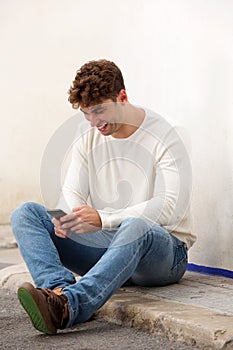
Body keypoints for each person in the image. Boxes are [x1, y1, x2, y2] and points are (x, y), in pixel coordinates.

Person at [10, 59, 196, 335]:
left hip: (162, 254)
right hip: (108, 248)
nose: (94, 122)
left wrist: (103, 219)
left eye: (99, 111)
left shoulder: (168, 133)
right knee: (26, 213)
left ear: (122, 97)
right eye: (86, 114)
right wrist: (67, 218)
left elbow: (170, 207)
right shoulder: (89, 135)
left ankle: (72, 306)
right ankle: (59, 292)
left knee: (135, 228)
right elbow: (71, 191)